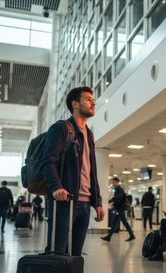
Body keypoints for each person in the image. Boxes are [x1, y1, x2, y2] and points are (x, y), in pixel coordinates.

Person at [42, 86, 105, 256]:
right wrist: (56, 187)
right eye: (88, 99)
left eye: (93, 99)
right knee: (58, 253)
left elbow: (92, 171)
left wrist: (97, 201)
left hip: (84, 205)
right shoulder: (61, 128)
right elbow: (48, 162)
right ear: (75, 104)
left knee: (76, 255)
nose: (93, 102)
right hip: (64, 202)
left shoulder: (89, 134)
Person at [101, 177, 135, 242]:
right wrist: (110, 201)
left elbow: (117, 199)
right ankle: (131, 235)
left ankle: (108, 237)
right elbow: (115, 198)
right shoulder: (117, 190)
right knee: (124, 222)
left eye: (113, 182)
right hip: (120, 209)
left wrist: (113, 205)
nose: (112, 183)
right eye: (112, 182)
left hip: (119, 209)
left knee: (113, 222)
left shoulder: (119, 190)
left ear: (117, 182)